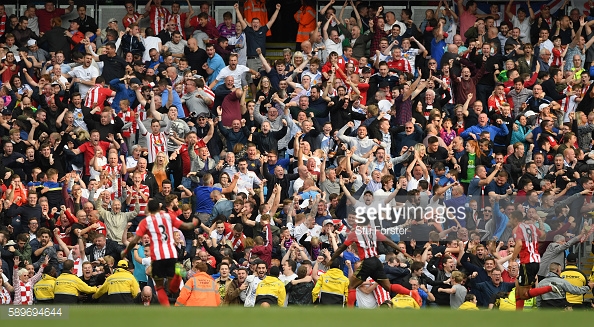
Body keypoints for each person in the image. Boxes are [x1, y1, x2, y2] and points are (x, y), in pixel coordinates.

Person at [122, 199, 199, 306]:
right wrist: (195, 222)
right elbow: (186, 226)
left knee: (159, 288)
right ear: (158, 208)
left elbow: (134, 240)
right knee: (173, 288)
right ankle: (178, 275)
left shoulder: (145, 221)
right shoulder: (168, 216)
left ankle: (166, 309)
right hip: (171, 254)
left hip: (158, 257)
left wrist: (126, 251)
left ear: (148, 208)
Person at [510, 210, 561, 310]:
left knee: (523, 294)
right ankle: (517, 317)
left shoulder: (517, 229)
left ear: (515, 219)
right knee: (518, 289)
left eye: (510, 218)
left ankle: (550, 288)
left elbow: (519, 244)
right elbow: (543, 235)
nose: (509, 221)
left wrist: (512, 259)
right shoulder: (532, 227)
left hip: (527, 262)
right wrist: (539, 220)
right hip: (536, 261)